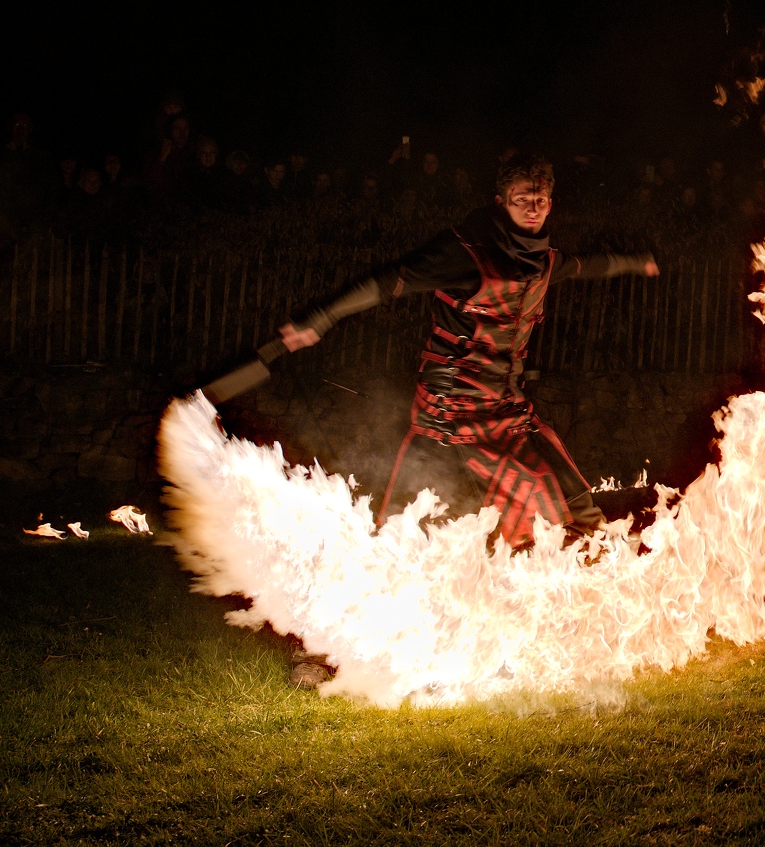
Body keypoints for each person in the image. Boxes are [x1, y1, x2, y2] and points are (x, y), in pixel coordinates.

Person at [276, 153, 659, 557]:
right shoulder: (465, 251)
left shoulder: (543, 261)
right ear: (500, 202)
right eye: (521, 199)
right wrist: (321, 317)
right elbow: (389, 280)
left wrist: (638, 262)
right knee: (435, 513)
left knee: (555, 472)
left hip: (504, 401)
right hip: (450, 406)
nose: (533, 209)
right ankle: (397, 567)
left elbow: (589, 265)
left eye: (541, 200)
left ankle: (602, 550)